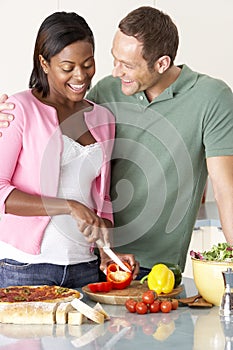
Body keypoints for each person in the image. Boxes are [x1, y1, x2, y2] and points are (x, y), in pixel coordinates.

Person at [1, 6, 233, 278]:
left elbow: (224, 189)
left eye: (127, 65)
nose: (114, 72)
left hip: (144, 264)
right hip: (73, 261)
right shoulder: (105, 92)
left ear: (162, 63)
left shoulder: (209, 98)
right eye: (114, 59)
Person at [0, 11, 138, 288]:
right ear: (44, 62)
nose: (80, 76)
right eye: (68, 67)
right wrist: (68, 207)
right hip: (26, 267)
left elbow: (103, 201)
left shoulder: (103, 118)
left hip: (84, 268)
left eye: (88, 64)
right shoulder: (18, 110)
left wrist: (106, 251)